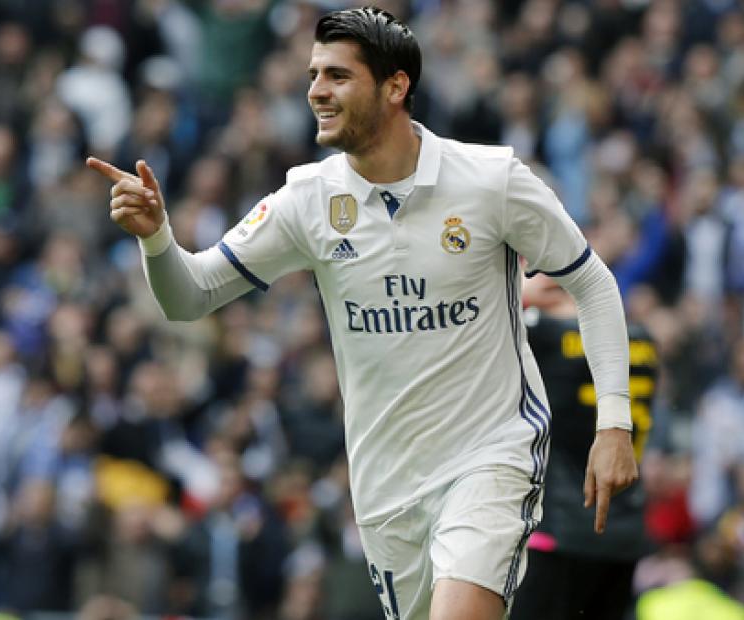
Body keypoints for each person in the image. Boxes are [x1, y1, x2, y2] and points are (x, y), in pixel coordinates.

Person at [87, 7, 638, 620]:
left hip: (490, 455)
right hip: (385, 483)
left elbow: (591, 281)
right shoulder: (307, 200)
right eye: (313, 75)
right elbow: (189, 297)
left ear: (395, 86)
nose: (316, 91)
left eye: (338, 76)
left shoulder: (491, 181)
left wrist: (614, 424)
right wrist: (157, 239)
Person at [511, 274, 658, 620]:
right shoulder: (641, 337)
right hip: (623, 531)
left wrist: (519, 296)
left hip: (559, 529)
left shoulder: (542, 333)